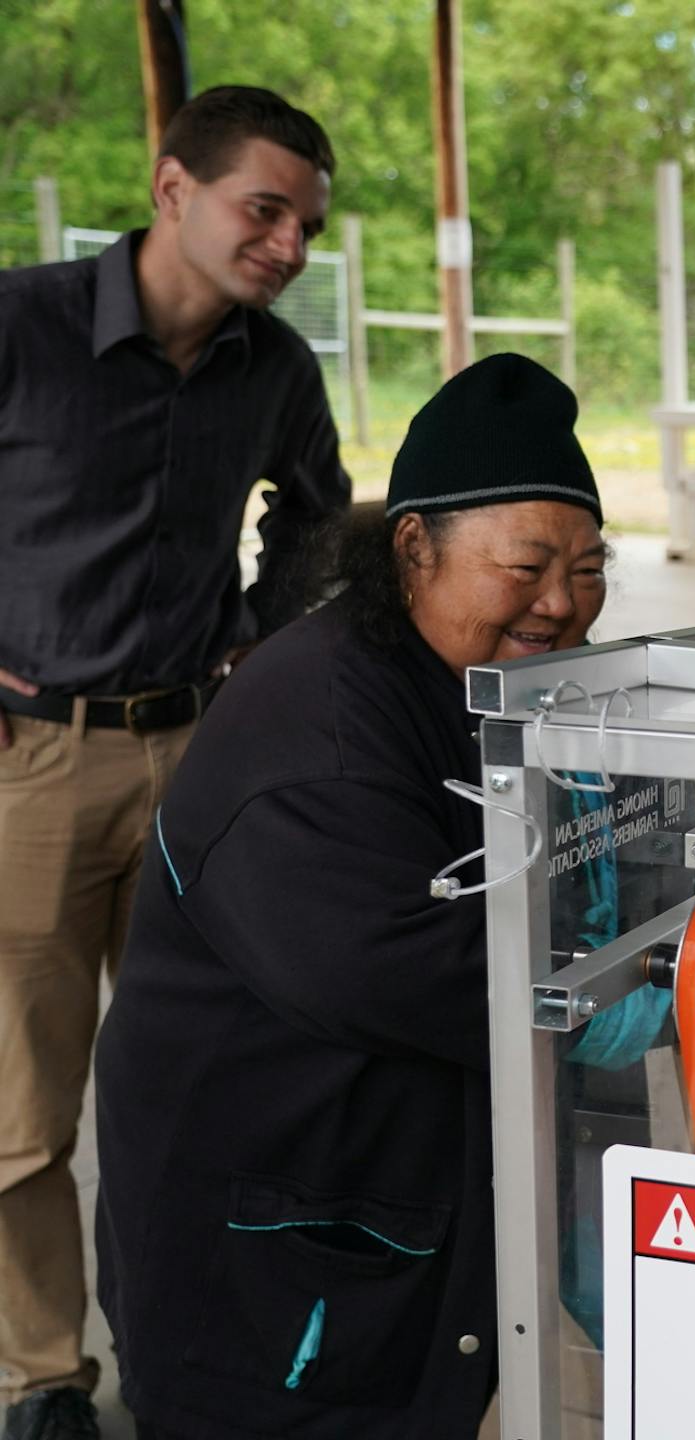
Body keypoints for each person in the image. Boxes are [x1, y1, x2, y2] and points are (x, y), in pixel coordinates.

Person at [92, 355, 644, 1440]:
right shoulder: (318, 736)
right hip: (272, 1266)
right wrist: (629, 988)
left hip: (387, 1208)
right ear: (412, 549)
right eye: (528, 565)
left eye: (589, 566)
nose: (563, 602)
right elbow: (411, 973)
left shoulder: (463, 677)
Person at [0, 85, 347, 1439]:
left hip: (198, 766)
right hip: (30, 758)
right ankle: (44, 1380)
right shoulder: (21, 325)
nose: (286, 247)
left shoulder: (279, 371)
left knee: (201, 1087)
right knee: (25, 1107)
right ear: (171, 190)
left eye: (306, 227)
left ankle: (184, 1361)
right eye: (264, 212)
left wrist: (253, 661)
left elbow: (318, 524)